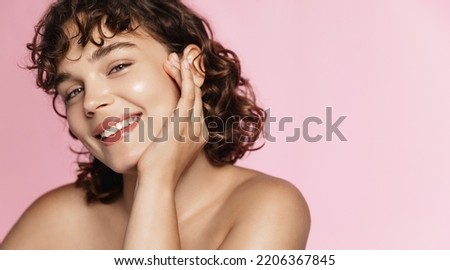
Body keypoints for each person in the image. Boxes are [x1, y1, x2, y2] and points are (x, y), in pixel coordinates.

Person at [1, 0, 310, 249]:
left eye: (119, 66)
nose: (91, 102)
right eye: (74, 91)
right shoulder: (56, 221)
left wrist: (157, 179)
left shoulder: (269, 207)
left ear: (192, 67)